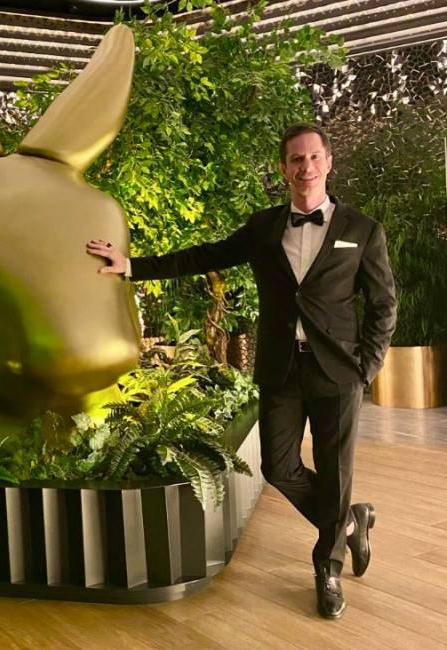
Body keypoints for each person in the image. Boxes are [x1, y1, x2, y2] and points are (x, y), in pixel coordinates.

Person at [86, 123, 397, 620]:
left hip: (337, 371)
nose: (306, 167)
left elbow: (383, 304)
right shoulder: (264, 228)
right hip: (280, 368)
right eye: (295, 159)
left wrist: (367, 368)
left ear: (329, 162)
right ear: (283, 169)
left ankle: (328, 567)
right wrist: (132, 266)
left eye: (313, 157)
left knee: (337, 470)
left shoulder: (362, 230)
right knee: (278, 467)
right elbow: (206, 255)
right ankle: (349, 522)